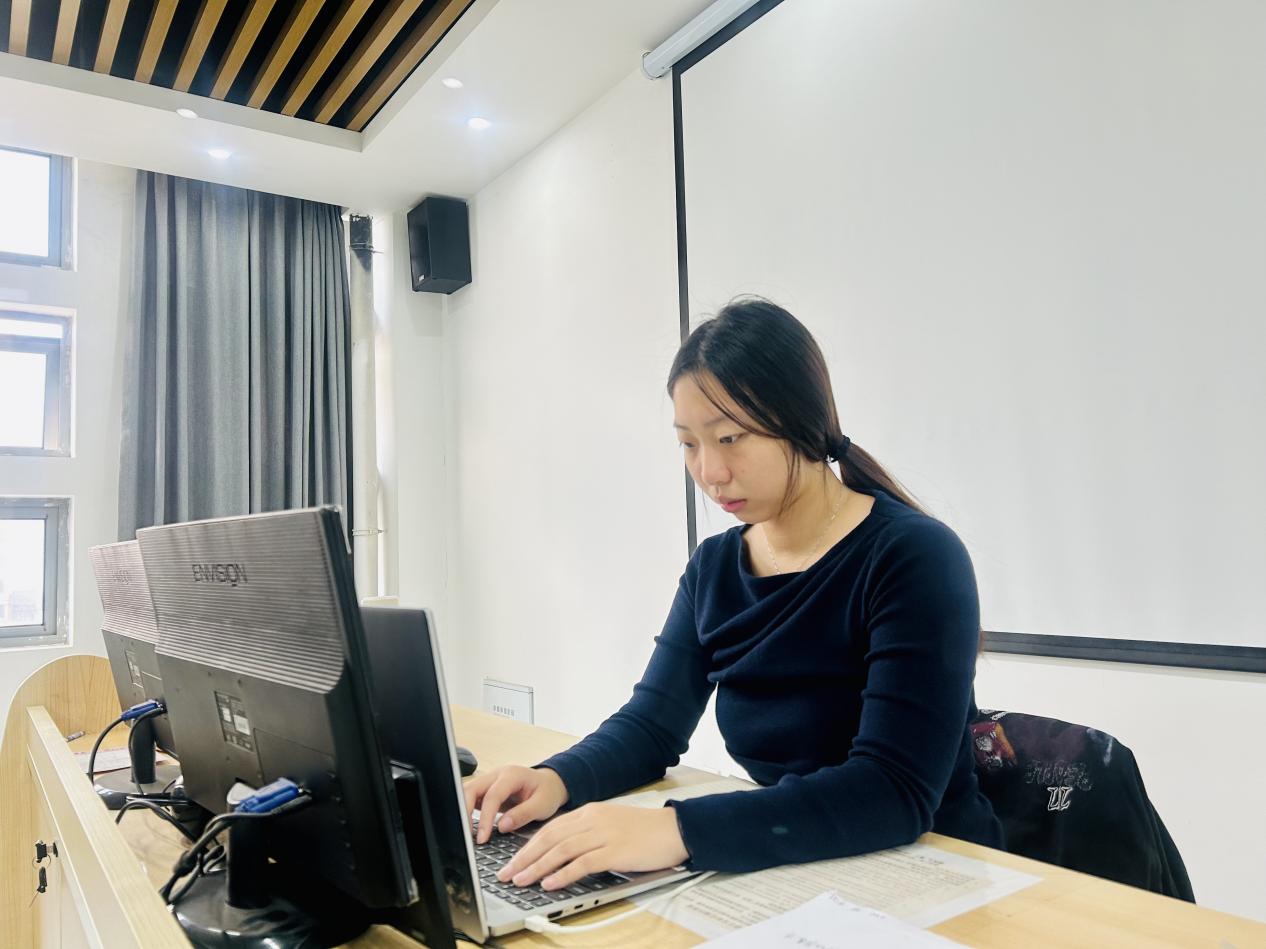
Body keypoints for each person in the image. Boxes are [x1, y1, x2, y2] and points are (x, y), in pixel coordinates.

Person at [463, 297, 1002, 893]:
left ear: (800, 422)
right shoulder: (715, 567)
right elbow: (650, 727)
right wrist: (555, 780)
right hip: (803, 862)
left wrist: (678, 830)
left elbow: (892, 790)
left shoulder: (913, 555)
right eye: (688, 444)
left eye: (729, 438)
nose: (709, 472)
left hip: (933, 870)